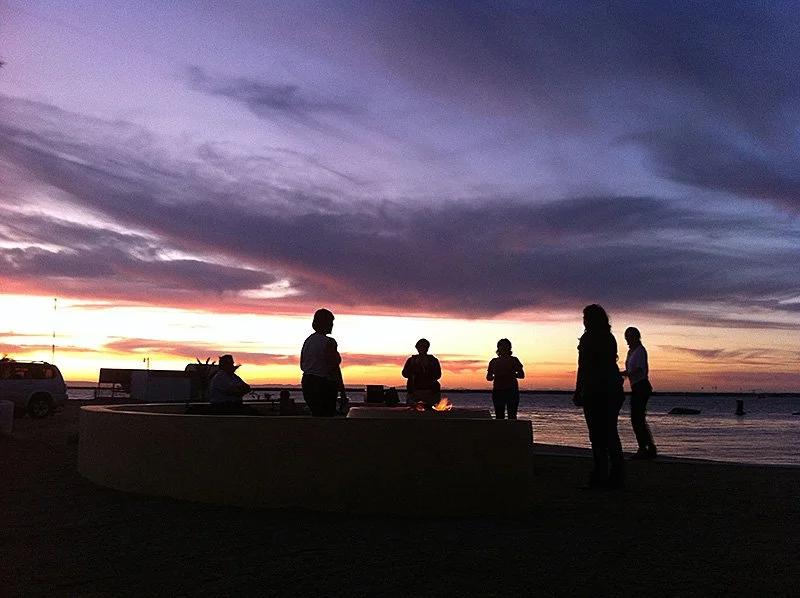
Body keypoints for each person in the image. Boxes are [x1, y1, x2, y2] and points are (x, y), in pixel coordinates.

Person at [573, 304, 625, 489]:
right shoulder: (609, 338)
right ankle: (615, 474)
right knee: (610, 432)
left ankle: (601, 473)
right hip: (612, 389)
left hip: (597, 390)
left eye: (586, 317)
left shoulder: (588, 339)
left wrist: (579, 390)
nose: (584, 321)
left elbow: (584, 367)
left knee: (597, 434)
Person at [300, 308, 347, 416]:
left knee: (316, 415)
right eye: (330, 322)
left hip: (307, 382)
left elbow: (303, 364)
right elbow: (334, 368)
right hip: (323, 384)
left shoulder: (308, 341)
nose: (332, 325)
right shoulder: (329, 342)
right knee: (326, 416)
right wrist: (342, 392)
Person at [621, 327, 657, 459]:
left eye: (629, 337)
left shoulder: (640, 351)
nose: (627, 340)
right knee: (637, 419)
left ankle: (645, 448)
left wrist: (627, 374)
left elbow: (639, 369)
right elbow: (631, 369)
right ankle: (648, 448)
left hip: (642, 386)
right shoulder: (631, 352)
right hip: (636, 386)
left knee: (637, 419)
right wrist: (622, 373)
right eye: (626, 337)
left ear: (635, 337)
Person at [486, 338, 525, 419]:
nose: (504, 348)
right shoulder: (494, 361)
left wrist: (510, 375)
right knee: (499, 416)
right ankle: (500, 431)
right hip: (498, 390)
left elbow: (522, 375)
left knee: (512, 415)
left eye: (506, 346)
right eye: (501, 346)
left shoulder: (514, 360)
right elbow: (488, 377)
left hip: (512, 390)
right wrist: (495, 376)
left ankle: (512, 431)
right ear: (498, 348)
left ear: (509, 348)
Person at [402, 338, 442, 408]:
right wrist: (415, 367)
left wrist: (427, 367)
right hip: (414, 392)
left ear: (427, 348)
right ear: (417, 347)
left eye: (424, 346)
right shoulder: (411, 360)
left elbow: (438, 375)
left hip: (430, 392)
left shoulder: (433, 361)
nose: (422, 348)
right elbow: (404, 374)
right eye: (420, 346)